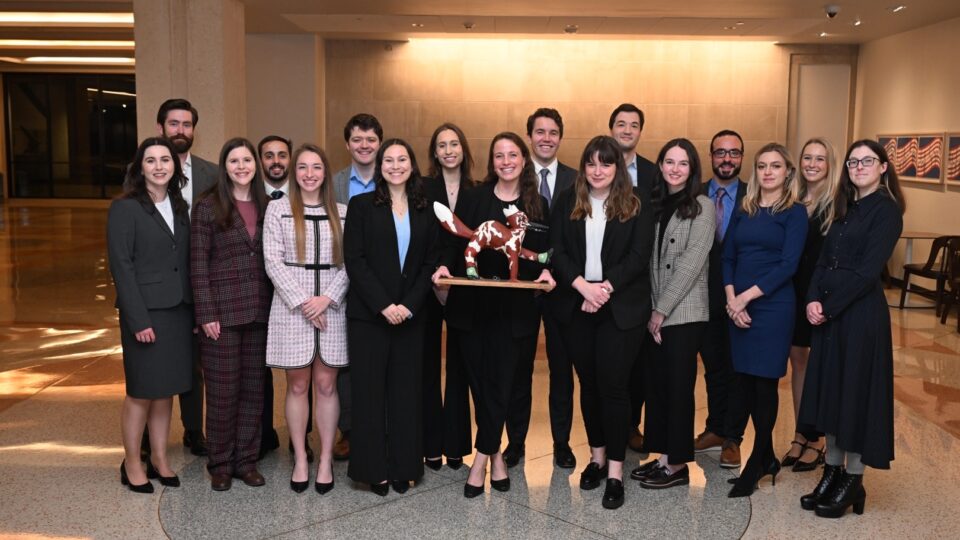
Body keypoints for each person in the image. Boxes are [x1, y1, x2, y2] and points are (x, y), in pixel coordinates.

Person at [432, 132, 555, 499]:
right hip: (471, 310)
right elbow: (453, 244)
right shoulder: (473, 197)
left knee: (500, 386)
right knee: (479, 385)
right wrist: (441, 266)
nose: (506, 161)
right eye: (499, 155)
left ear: (523, 159)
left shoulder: (537, 205)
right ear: (492, 161)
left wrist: (548, 272)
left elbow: (543, 251)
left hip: (514, 312)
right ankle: (495, 453)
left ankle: (481, 461)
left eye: (512, 154)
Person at [798, 139, 904, 518]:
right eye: (854, 161)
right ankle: (832, 470)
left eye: (867, 161)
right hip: (830, 315)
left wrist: (826, 306)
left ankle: (854, 479)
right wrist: (811, 298)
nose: (858, 167)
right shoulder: (844, 207)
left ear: (883, 168)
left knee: (856, 396)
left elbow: (866, 273)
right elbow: (823, 261)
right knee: (832, 394)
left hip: (860, 318)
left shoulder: (887, 212)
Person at [549, 135, 653, 509]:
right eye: (591, 163)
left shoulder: (637, 203)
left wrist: (603, 290)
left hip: (619, 307)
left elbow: (639, 256)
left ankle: (614, 471)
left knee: (613, 387)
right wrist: (582, 287)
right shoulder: (567, 201)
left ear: (617, 168)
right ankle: (595, 458)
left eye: (605, 164)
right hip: (578, 304)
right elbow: (556, 251)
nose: (597, 170)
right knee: (588, 385)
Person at [345, 139, 438, 496]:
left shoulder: (425, 208)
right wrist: (384, 305)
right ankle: (372, 470)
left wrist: (409, 305)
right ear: (379, 166)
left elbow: (430, 261)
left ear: (412, 165)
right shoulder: (362, 205)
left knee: (406, 394)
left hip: (411, 316)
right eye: (388, 160)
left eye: (402, 159)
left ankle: (404, 466)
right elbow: (356, 261)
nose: (395, 165)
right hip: (369, 316)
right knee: (369, 394)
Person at [108, 137, 193, 493]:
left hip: (178, 311)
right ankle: (132, 462)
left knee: (166, 391)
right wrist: (138, 319)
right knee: (141, 391)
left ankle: (159, 458)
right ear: (139, 167)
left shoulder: (179, 204)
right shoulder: (125, 208)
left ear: (175, 166)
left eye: (165, 160)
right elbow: (121, 267)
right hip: (145, 313)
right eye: (151, 160)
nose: (159, 166)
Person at [723, 142, 808, 498]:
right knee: (742, 381)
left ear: (788, 171)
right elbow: (727, 256)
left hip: (772, 307)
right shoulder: (745, 208)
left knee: (764, 385)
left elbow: (789, 265)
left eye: (775, 166)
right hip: (737, 307)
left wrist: (745, 297)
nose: (768, 172)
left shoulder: (795, 213)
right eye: (762, 166)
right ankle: (767, 458)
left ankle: (759, 458)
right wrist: (731, 299)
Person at [263, 143, 348, 494]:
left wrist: (327, 298)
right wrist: (303, 301)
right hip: (291, 309)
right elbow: (273, 261)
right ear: (295, 172)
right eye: (302, 167)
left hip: (332, 308)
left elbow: (351, 263)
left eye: (316, 167)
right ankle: (300, 457)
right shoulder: (278, 210)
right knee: (297, 385)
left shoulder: (343, 212)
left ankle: (326, 458)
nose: (309, 173)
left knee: (327, 385)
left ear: (325, 172)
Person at [632, 138, 714, 490]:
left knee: (679, 389)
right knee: (659, 387)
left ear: (692, 169)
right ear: (661, 166)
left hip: (684, 313)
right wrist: (652, 310)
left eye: (683, 163)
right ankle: (663, 457)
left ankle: (678, 465)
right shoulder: (653, 205)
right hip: (655, 312)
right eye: (669, 162)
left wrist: (661, 311)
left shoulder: (702, 206)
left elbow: (692, 264)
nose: (675, 169)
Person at [191, 137, 272, 491]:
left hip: (260, 312)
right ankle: (220, 463)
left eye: (247, 160)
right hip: (220, 315)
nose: (241, 166)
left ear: (256, 166)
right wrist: (205, 312)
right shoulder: (208, 206)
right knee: (223, 393)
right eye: (234, 161)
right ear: (225, 167)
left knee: (254, 392)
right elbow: (197, 265)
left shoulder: (268, 204)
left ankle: (246, 461)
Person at [503, 108, 578, 469]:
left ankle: (562, 442)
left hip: (563, 291)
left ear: (560, 137)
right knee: (519, 369)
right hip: (521, 290)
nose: (546, 138)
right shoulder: (515, 174)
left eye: (553, 132)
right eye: (539, 132)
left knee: (562, 371)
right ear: (529, 136)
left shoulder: (577, 179)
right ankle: (515, 441)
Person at [152, 98, 218, 457]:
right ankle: (149, 437)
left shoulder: (212, 173)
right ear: (160, 127)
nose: (180, 130)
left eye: (187, 124)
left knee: (196, 363)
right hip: (159, 285)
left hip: (199, 280)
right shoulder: (141, 171)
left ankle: (194, 430)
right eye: (174, 124)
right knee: (157, 360)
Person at [781, 138, 841, 472]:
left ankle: (817, 439)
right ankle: (800, 434)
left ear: (830, 164)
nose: (813, 164)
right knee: (798, 361)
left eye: (820, 158)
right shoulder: (792, 200)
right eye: (807, 157)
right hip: (793, 291)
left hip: (823, 294)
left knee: (822, 366)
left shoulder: (838, 203)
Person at [421, 123, 476, 471]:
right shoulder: (423, 188)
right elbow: (422, 234)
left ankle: (455, 445)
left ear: (463, 148)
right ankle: (429, 444)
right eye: (442, 145)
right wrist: (436, 272)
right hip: (429, 283)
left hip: (464, 286)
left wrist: (454, 276)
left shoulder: (477, 189)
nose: (449, 150)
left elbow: (474, 240)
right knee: (427, 366)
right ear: (435, 153)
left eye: (454, 143)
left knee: (460, 367)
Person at [330, 112, 384, 460]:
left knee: (381, 355)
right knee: (344, 360)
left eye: (371, 140)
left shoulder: (394, 178)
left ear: (379, 143)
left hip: (382, 283)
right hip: (340, 280)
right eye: (357, 140)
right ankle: (349, 431)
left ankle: (382, 425)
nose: (364, 146)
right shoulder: (331, 184)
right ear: (347, 144)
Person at [694, 130, 748, 469]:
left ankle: (733, 438)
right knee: (713, 366)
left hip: (743, 297)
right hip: (703, 296)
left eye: (734, 153)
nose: (727, 159)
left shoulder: (755, 197)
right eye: (720, 153)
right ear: (711, 156)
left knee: (738, 369)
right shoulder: (694, 195)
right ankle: (714, 428)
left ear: (742, 157)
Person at [608, 103, 656, 450]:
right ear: (612, 129)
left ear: (640, 131)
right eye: (621, 124)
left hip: (640, 281)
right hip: (604, 283)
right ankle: (612, 427)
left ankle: (631, 426)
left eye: (634, 125)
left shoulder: (654, 174)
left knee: (639, 363)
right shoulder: (598, 169)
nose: (627, 130)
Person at [257, 134, 291, 460]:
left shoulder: (305, 197)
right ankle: (263, 435)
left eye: (282, 154)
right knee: (259, 371)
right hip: (257, 296)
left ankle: (300, 436)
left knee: (299, 371)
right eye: (269, 156)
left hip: (295, 299)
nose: (276, 161)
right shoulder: (250, 197)